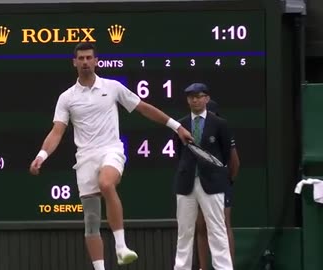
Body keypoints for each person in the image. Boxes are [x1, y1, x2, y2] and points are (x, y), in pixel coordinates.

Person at [29, 42, 194, 270]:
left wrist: (177, 127)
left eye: (89, 58)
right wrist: (42, 155)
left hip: (111, 150)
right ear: (74, 62)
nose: (85, 62)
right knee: (91, 222)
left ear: (96, 61)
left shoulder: (113, 87)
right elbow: (57, 131)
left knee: (106, 183)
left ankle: (121, 247)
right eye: (81, 58)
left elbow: (144, 108)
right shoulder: (66, 98)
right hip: (85, 158)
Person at [172, 83, 234, 270]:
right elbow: (178, 152)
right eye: (191, 97)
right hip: (186, 182)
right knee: (185, 231)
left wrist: (219, 175)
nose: (195, 100)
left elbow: (225, 154)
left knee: (217, 229)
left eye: (198, 96)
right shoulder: (181, 124)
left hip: (213, 183)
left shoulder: (219, 124)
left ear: (207, 98)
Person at [195, 99, 240, 270]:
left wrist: (227, 182)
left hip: (220, 186)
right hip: (199, 185)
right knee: (201, 226)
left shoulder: (223, 130)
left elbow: (235, 162)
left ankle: (228, 266)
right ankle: (203, 267)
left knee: (223, 225)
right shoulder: (194, 131)